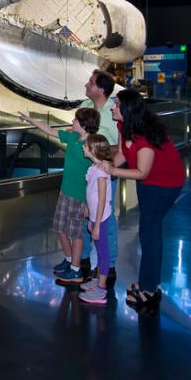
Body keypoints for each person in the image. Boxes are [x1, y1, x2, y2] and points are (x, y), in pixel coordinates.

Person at [91, 88, 185, 312]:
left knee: (149, 233)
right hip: (148, 183)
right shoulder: (123, 126)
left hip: (165, 184)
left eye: (116, 104)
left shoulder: (145, 137)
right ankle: (147, 282)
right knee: (148, 231)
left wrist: (112, 171)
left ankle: (149, 288)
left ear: (127, 109)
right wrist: (106, 167)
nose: (112, 107)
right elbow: (122, 154)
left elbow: (142, 172)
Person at [18, 106, 100, 284]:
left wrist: (88, 203)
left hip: (80, 197)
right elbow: (49, 130)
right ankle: (69, 260)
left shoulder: (92, 146)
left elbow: (96, 175)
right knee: (60, 227)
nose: (72, 122)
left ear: (83, 124)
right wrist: (31, 120)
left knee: (76, 233)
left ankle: (76, 270)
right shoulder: (73, 137)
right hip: (65, 191)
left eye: (75, 120)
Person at [78, 70, 120, 282]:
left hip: (104, 172)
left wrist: (100, 154)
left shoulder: (114, 112)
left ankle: (108, 266)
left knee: (105, 217)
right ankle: (84, 257)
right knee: (85, 212)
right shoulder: (85, 106)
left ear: (102, 89)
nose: (86, 85)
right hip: (85, 171)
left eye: (91, 82)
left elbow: (120, 146)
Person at [79, 134, 114, 305]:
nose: (83, 147)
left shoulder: (101, 172)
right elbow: (91, 192)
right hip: (95, 216)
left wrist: (97, 225)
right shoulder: (94, 168)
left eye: (85, 145)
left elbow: (102, 199)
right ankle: (99, 280)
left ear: (93, 150)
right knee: (99, 249)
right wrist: (87, 207)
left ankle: (101, 288)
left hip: (101, 218)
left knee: (103, 251)